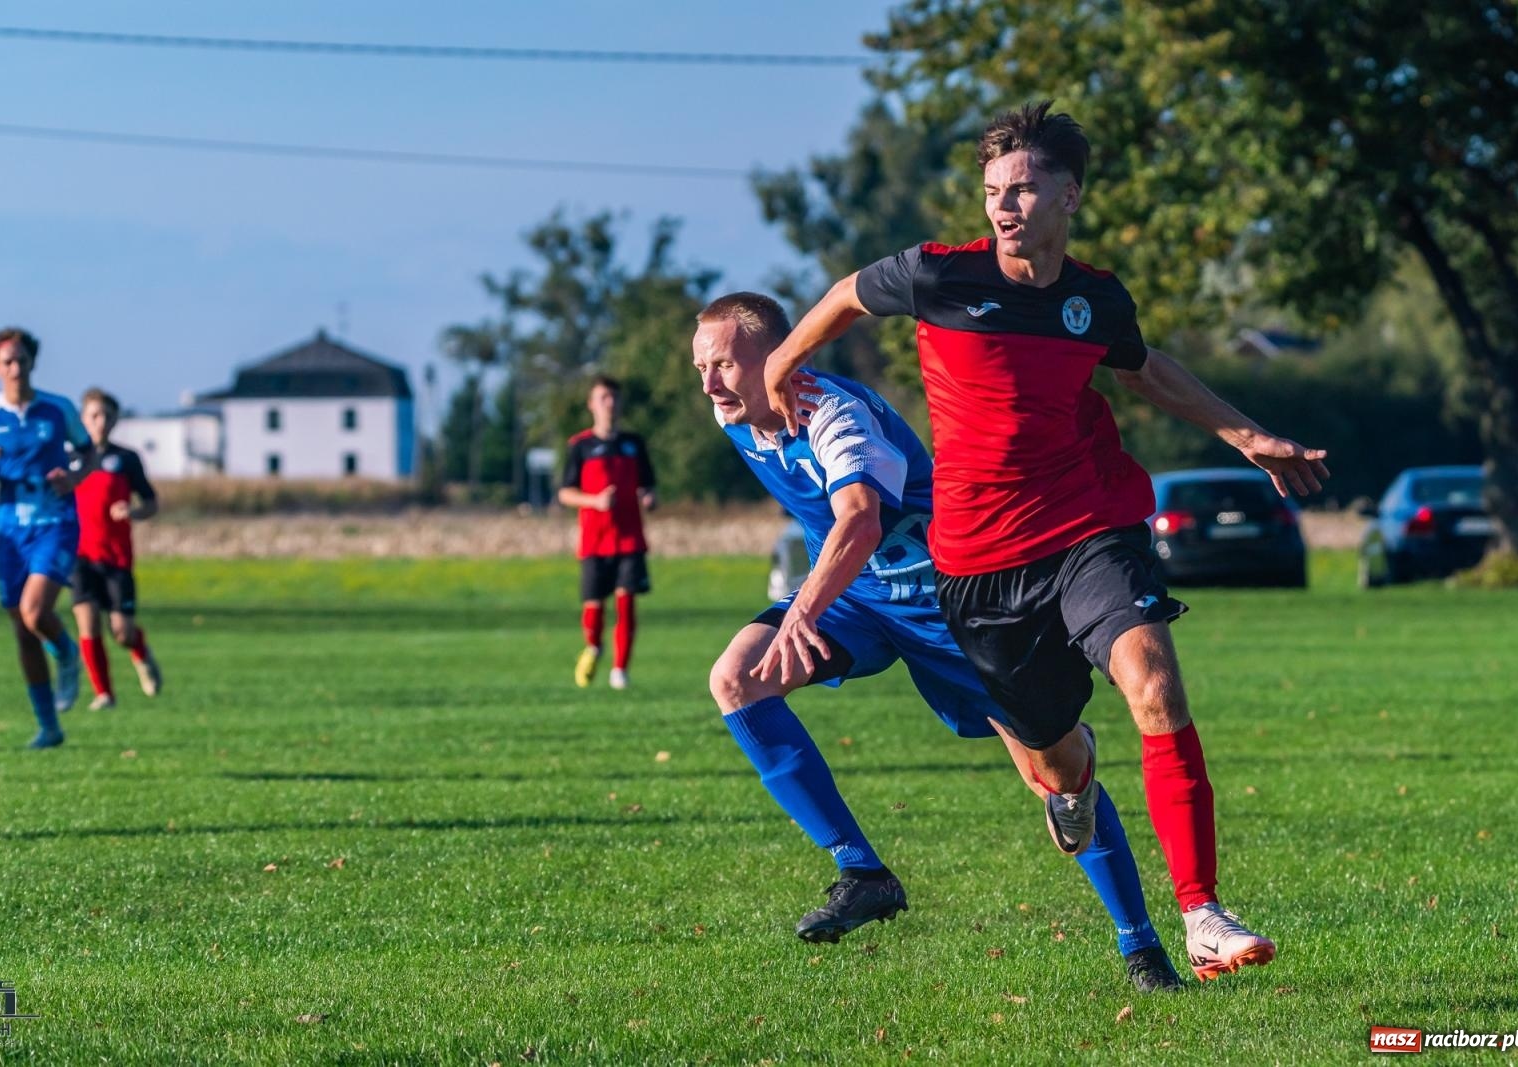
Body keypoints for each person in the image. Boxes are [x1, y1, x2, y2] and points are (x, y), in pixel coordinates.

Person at [763, 102, 1330, 983]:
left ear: (1070, 193)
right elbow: (843, 294)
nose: (1004, 205)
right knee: (1058, 760)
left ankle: (1201, 910)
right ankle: (1073, 778)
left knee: (1152, 681)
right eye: (993, 190)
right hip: (978, 566)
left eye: (1022, 188)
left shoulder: (1095, 298)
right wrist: (778, 364)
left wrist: (1245, 433)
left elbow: (1147, 371)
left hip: (1086, 527)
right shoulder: (938, 276)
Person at [695, 291, 1183, 993]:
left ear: (777, 356)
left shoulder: (835, 415)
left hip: (957, 609)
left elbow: (859, 520)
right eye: (700, 366)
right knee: (735, 677)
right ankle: (862, 871)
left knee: (1056, 780)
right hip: (859, 603)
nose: (709, 383)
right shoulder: (732, 415)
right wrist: (812, 607)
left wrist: (803, 607)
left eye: (723, 364)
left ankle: (1142, 946)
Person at [0, 328, 91, 748]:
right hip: (12, 533)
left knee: (34, 610)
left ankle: (66, 652)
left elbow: (89, 452)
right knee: (23, 630)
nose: (15, 368)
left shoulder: (57, 409)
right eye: (6, 361)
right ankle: (49, 726)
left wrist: (75, 475)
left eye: (21, 359)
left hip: (56, 524)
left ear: (32, 362)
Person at [557, 375, 657, 691]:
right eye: (603, 397)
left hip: (629, 537)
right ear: (591, 404)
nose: (609, 403)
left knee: (626, 602)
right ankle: (594, 647)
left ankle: (620, 671)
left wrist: (649, 497)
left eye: (614, 397)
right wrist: (595, 501)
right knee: (594, 606)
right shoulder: (580, 446)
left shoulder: (634, 444)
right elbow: (565, 493)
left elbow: (648, 484)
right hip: (594, 540)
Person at [72, 388, 162, 709]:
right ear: (82, 419)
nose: (100, 421)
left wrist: (132, 511)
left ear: (115, 420)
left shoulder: (126, 459)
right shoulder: (71, 458)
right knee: (87, 620)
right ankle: (104, 694)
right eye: (94, 415)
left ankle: (141, 652)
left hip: (116, 557)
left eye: (107, 415)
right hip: (80, 555)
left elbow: (151, 503)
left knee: (121, 631)